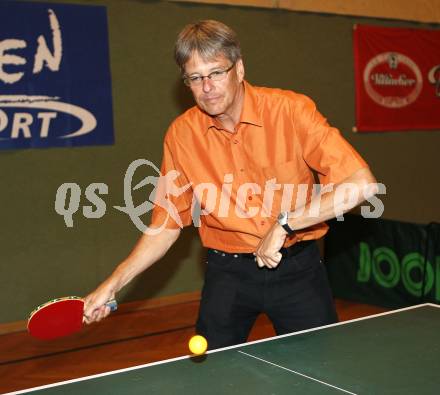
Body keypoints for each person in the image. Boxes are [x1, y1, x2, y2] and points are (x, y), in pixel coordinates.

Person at [83, 20, 378, 349]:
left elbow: (361, 184)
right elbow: (165, 225)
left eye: (216, 72)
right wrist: (113, 283)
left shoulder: (292, 111)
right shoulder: (181, 135)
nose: (207, 87)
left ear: (239, 69)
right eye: (196, 78)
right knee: (213, 374)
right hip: (228, 274)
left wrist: (285, 223)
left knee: (323, 370)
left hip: (298, 269)